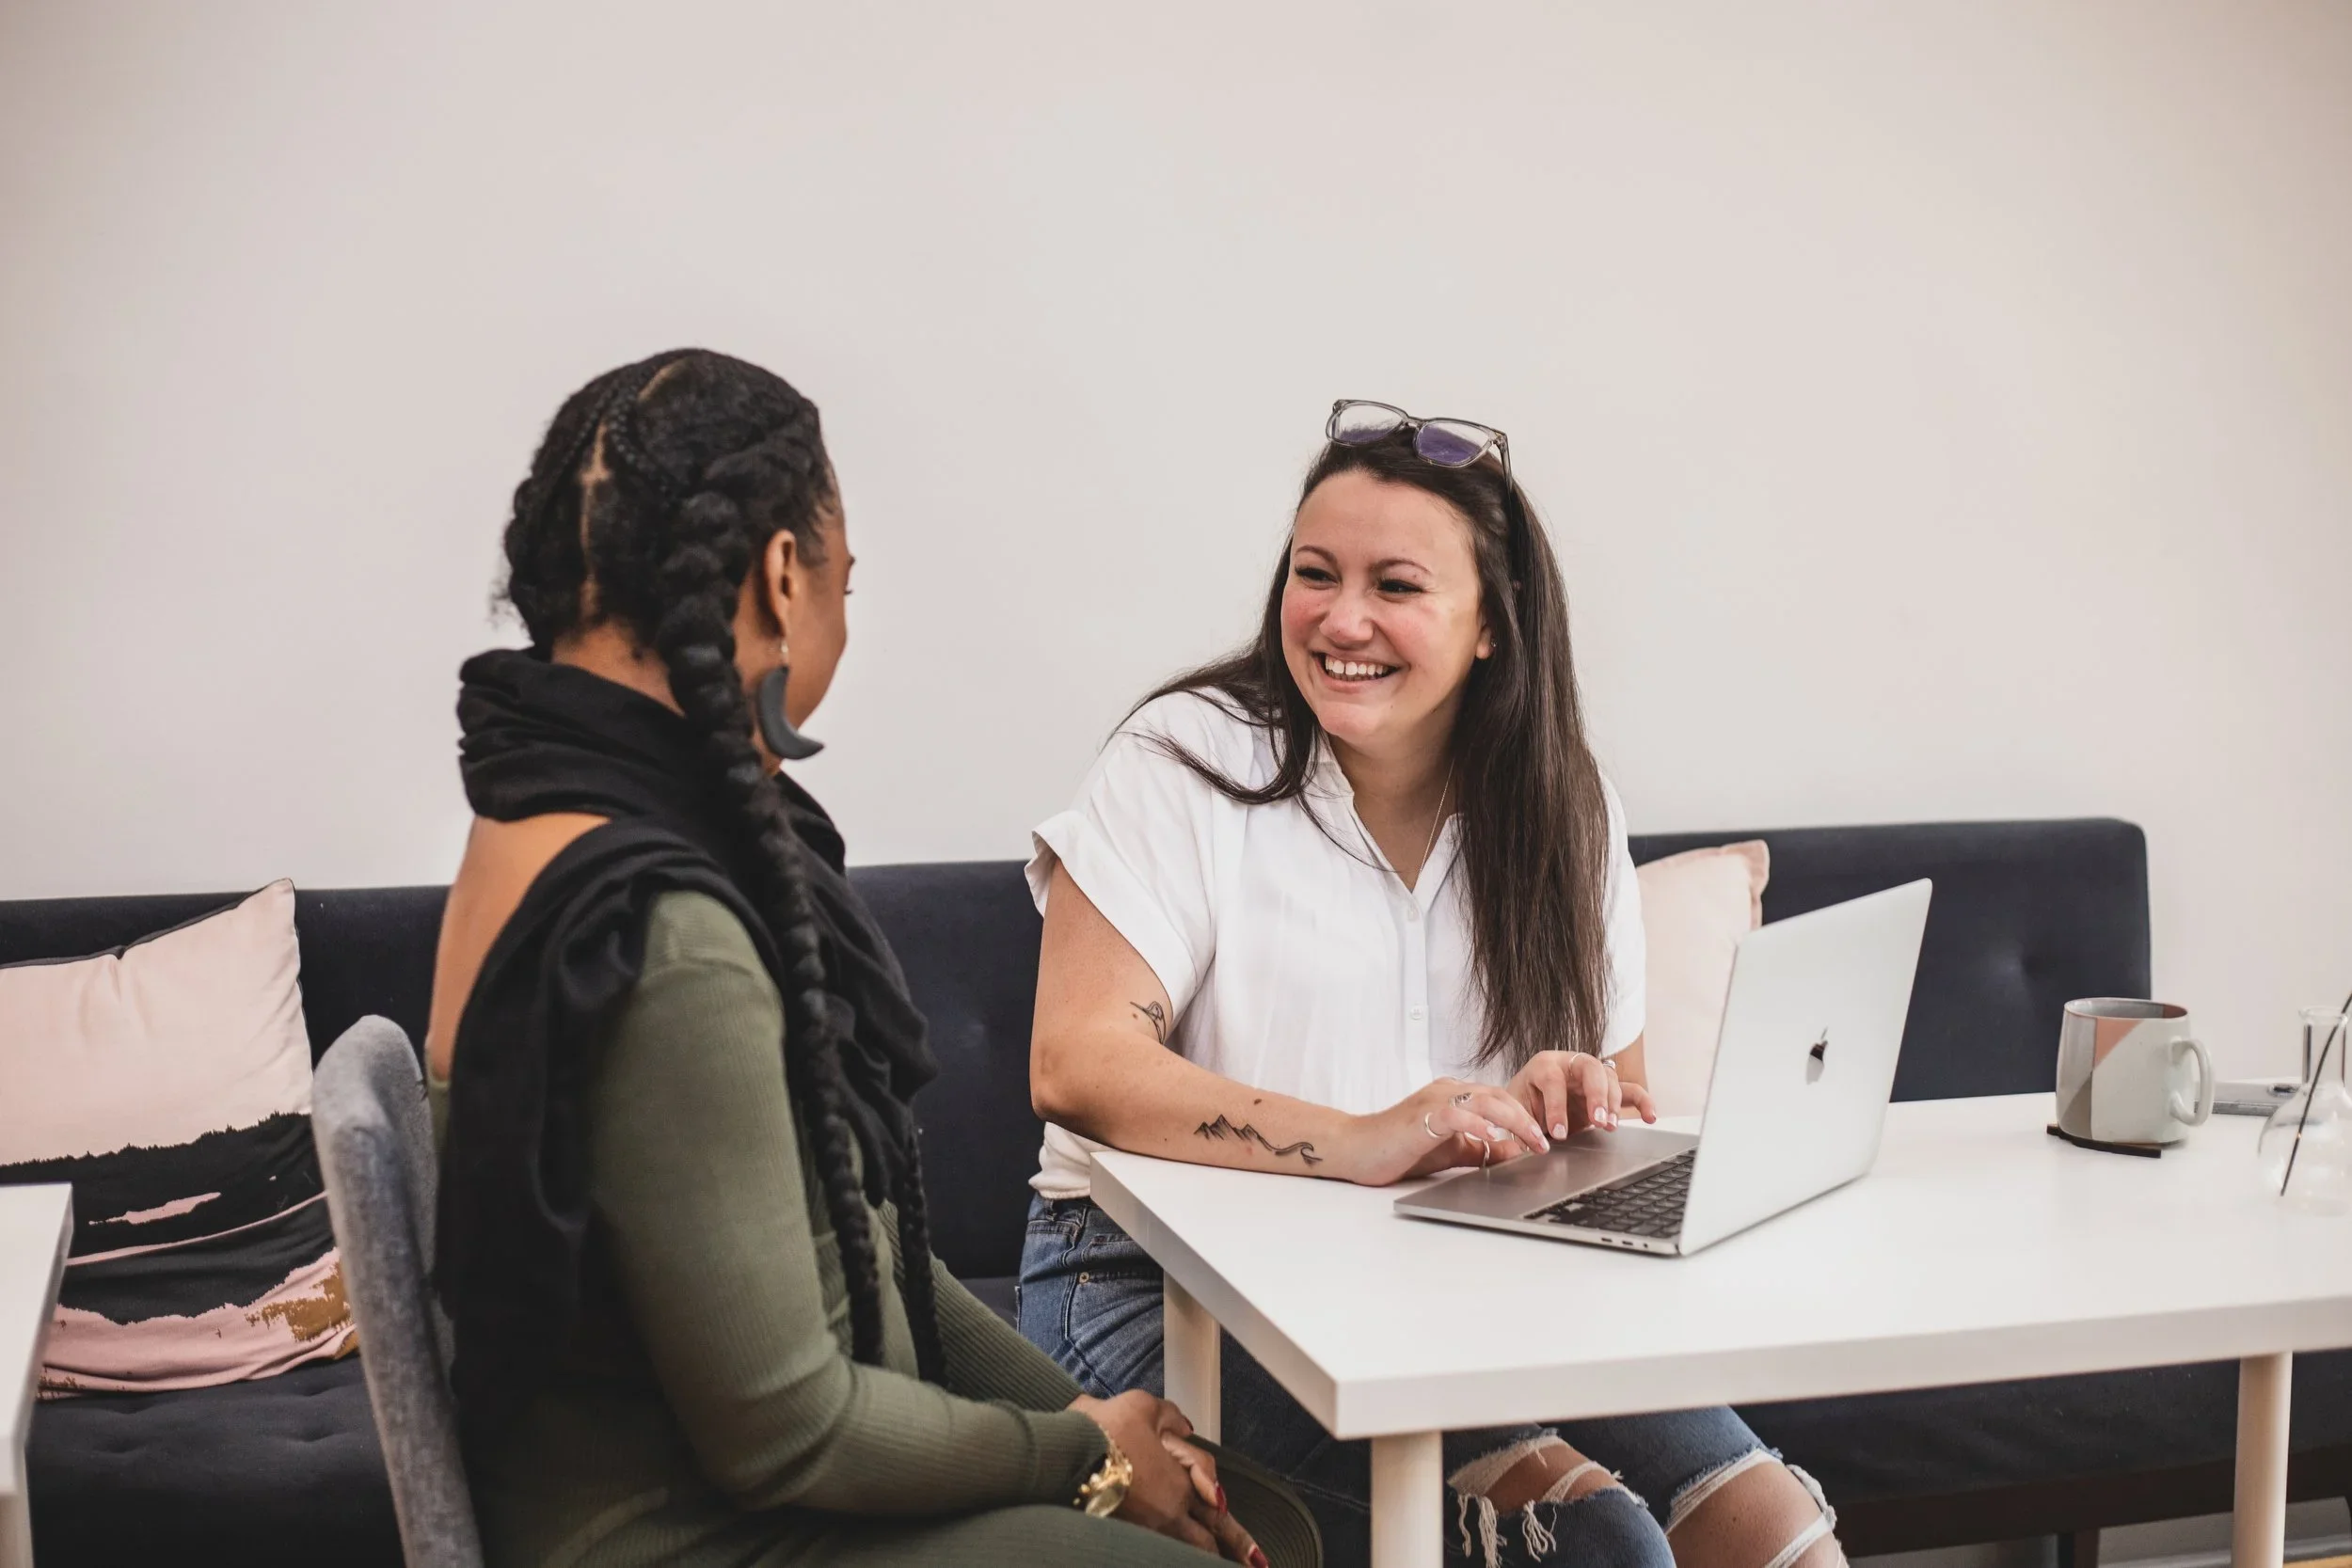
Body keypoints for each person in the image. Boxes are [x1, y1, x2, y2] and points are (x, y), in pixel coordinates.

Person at [422, 349, 1320, 1568]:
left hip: (736, 1478)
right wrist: (1084, 1452)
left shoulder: (535, 813)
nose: (842, 614)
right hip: (702, 1529)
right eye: (843, 581)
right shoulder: (667, 931)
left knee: (1264, 1518)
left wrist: (1078, 1413)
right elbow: (788, 1431)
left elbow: (865, 1235)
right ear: (782, 576)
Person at [1018, 402, 1844, 1568]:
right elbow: (1077, 1060)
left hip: (1462, 1284)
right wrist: (1362, 1138)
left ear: (1492, 624)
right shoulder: (1182, 757)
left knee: (1774, 1534)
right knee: (1594, 1545)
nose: (1340, 618)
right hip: (1149, 1284)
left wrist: (1570, 1104)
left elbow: (1621, 1096)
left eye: (1394, 585)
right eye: (1315, 573)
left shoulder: (1564, 802)